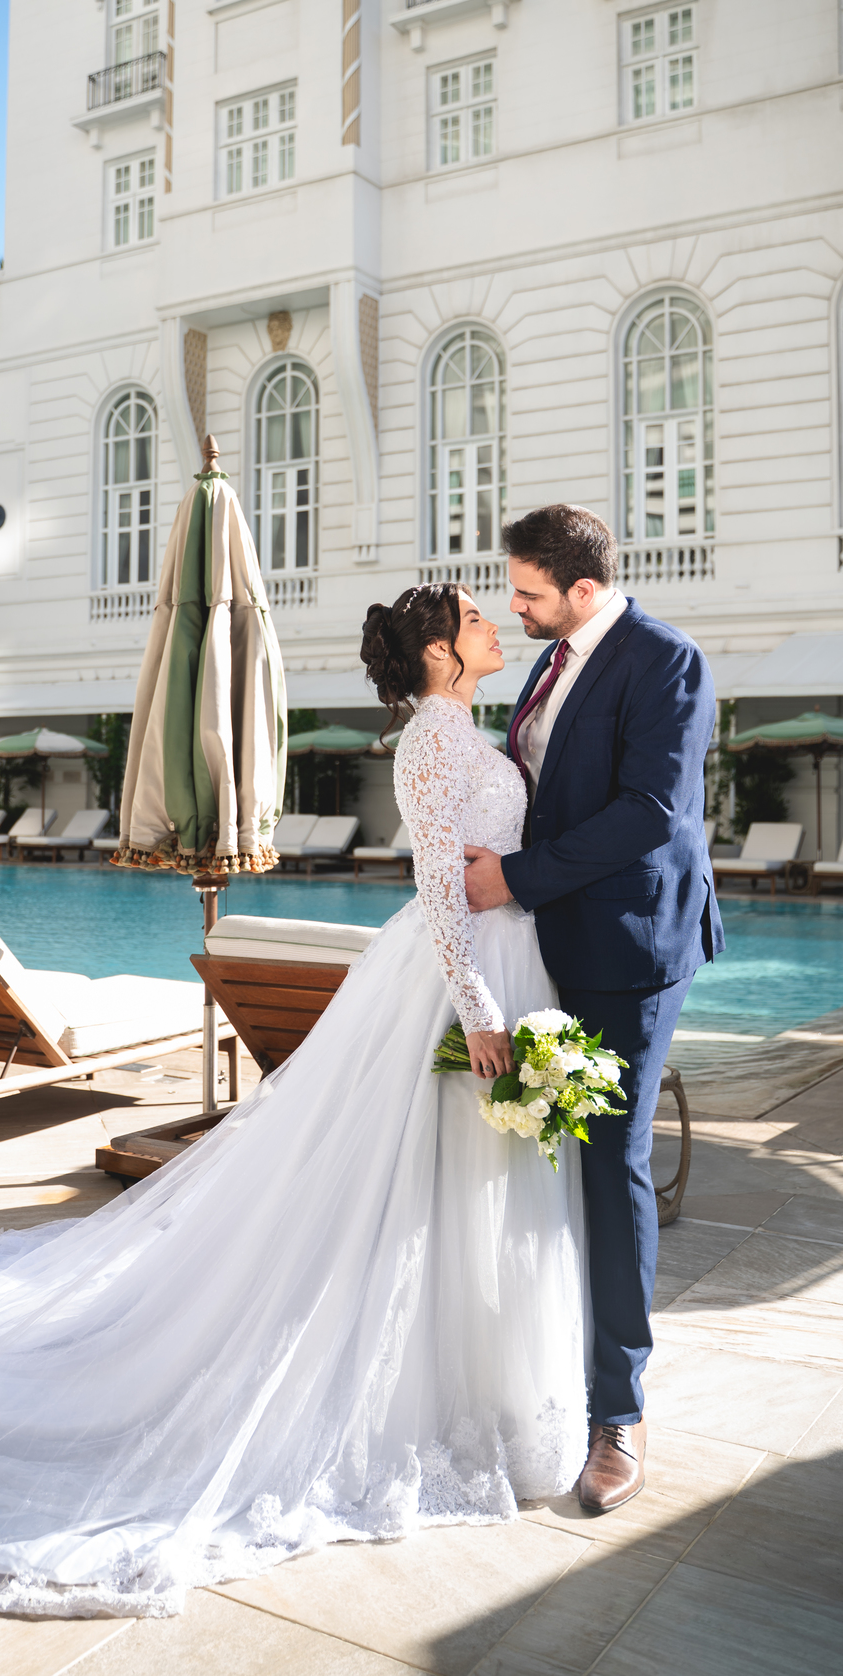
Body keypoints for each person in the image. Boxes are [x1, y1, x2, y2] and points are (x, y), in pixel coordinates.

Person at [0, 584, 590, 1622]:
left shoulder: (474, 728)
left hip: (510, 967)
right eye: (476, 617)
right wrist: (473, 1004)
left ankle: (491, 1395)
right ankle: (431, 1395)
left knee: (469, 1191)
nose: (493, 625)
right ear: (439, 652)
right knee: (414, 1186)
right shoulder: (429, 744)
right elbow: (433, 880)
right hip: (456, 982)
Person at [464, 504, 722, 1514]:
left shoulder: (668, 659)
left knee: (609, 1158)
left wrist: (515, 878)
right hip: (544, 941)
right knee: (543, 1153)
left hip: (629, 948)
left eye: (528, 592)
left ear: (581, 586)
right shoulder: (549, 657)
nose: (514, 606)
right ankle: (544, 1362)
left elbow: (650, 812)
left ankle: (618, 1411)